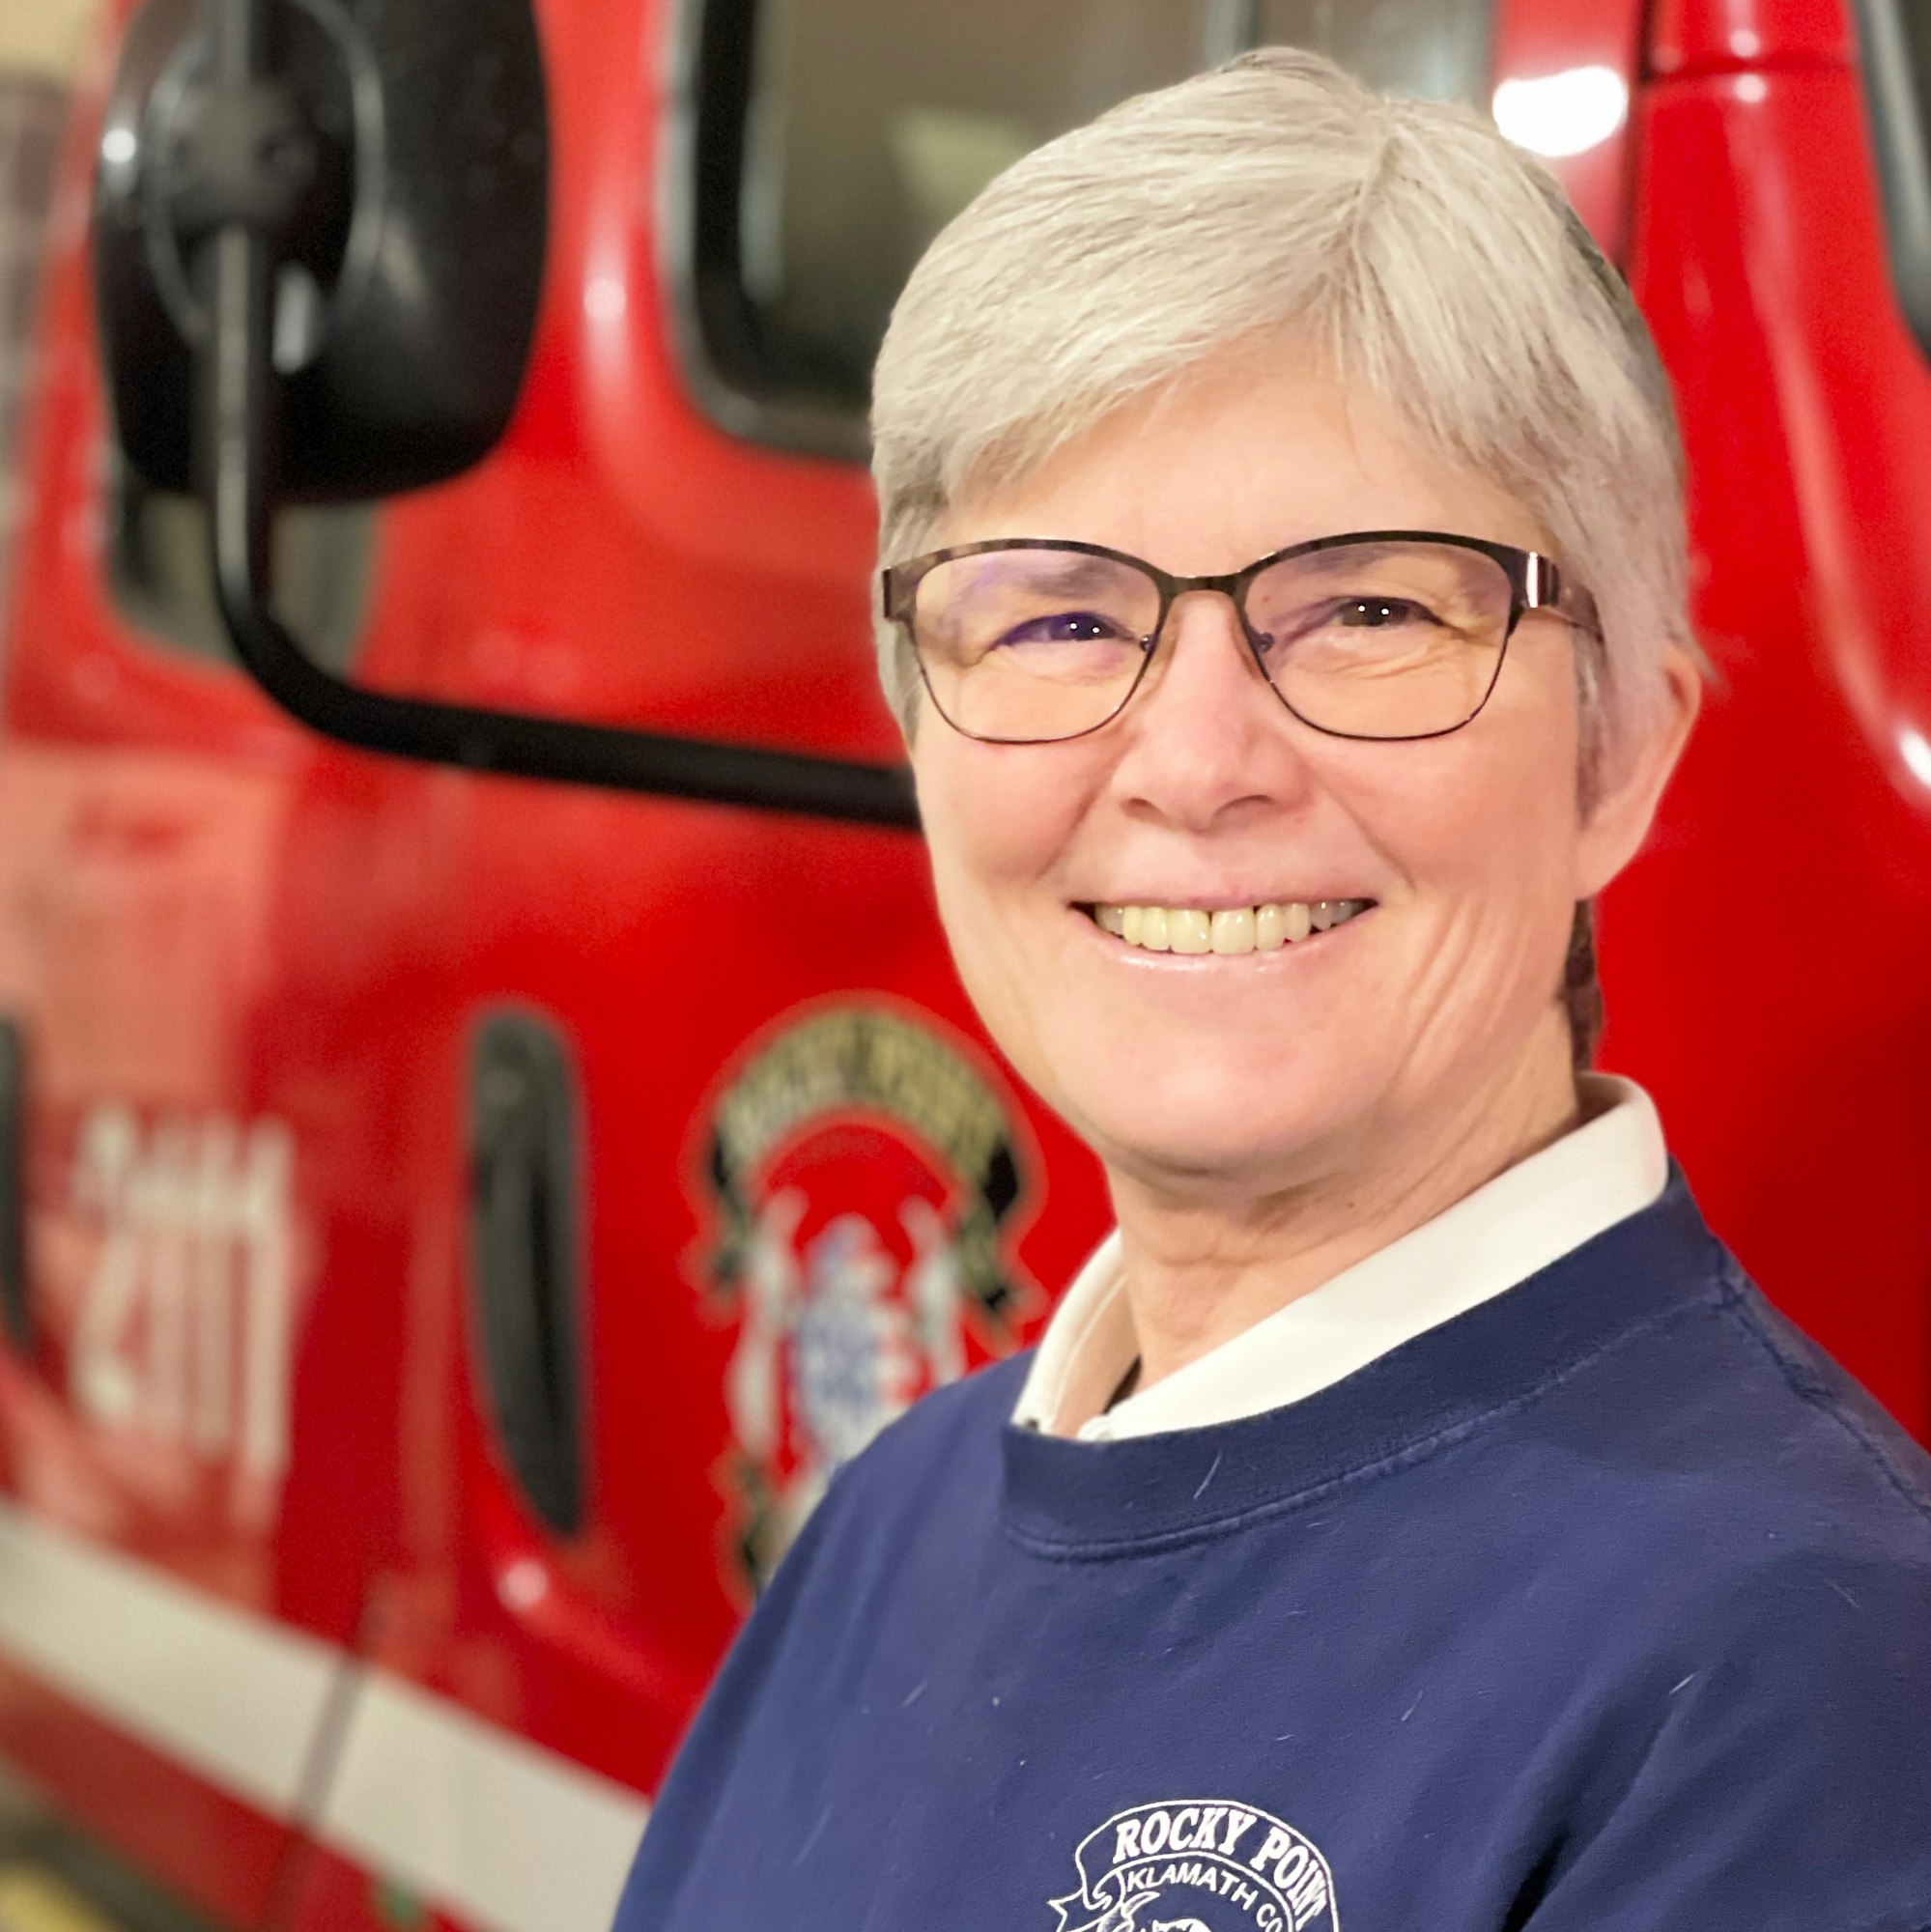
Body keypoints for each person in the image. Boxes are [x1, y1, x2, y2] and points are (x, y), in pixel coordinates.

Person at [613, 48, 1931, 1931]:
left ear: (1622, 753)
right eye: (1060, 616)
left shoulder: (1802, 1675)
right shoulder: (900, 1508)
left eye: (1375, 608)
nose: (1196, 758)